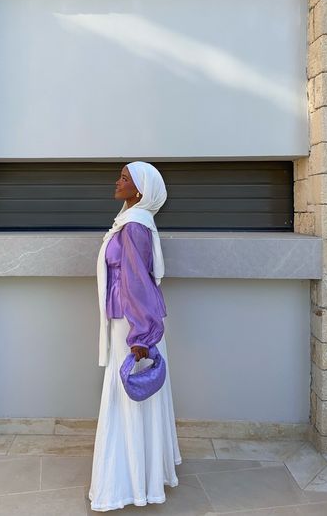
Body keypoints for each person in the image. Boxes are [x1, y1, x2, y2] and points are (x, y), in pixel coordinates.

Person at [88, 161, 182, 512]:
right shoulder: (130, 221)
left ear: (140, 191)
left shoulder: (135, 226)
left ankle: (126, 484)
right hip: (129, 320)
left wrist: (141, 336)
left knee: (128, 394)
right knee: (132, 395)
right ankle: (138, 477)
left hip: (132, 324)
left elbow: (137, 282)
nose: (118, 181)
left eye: (125, 179)